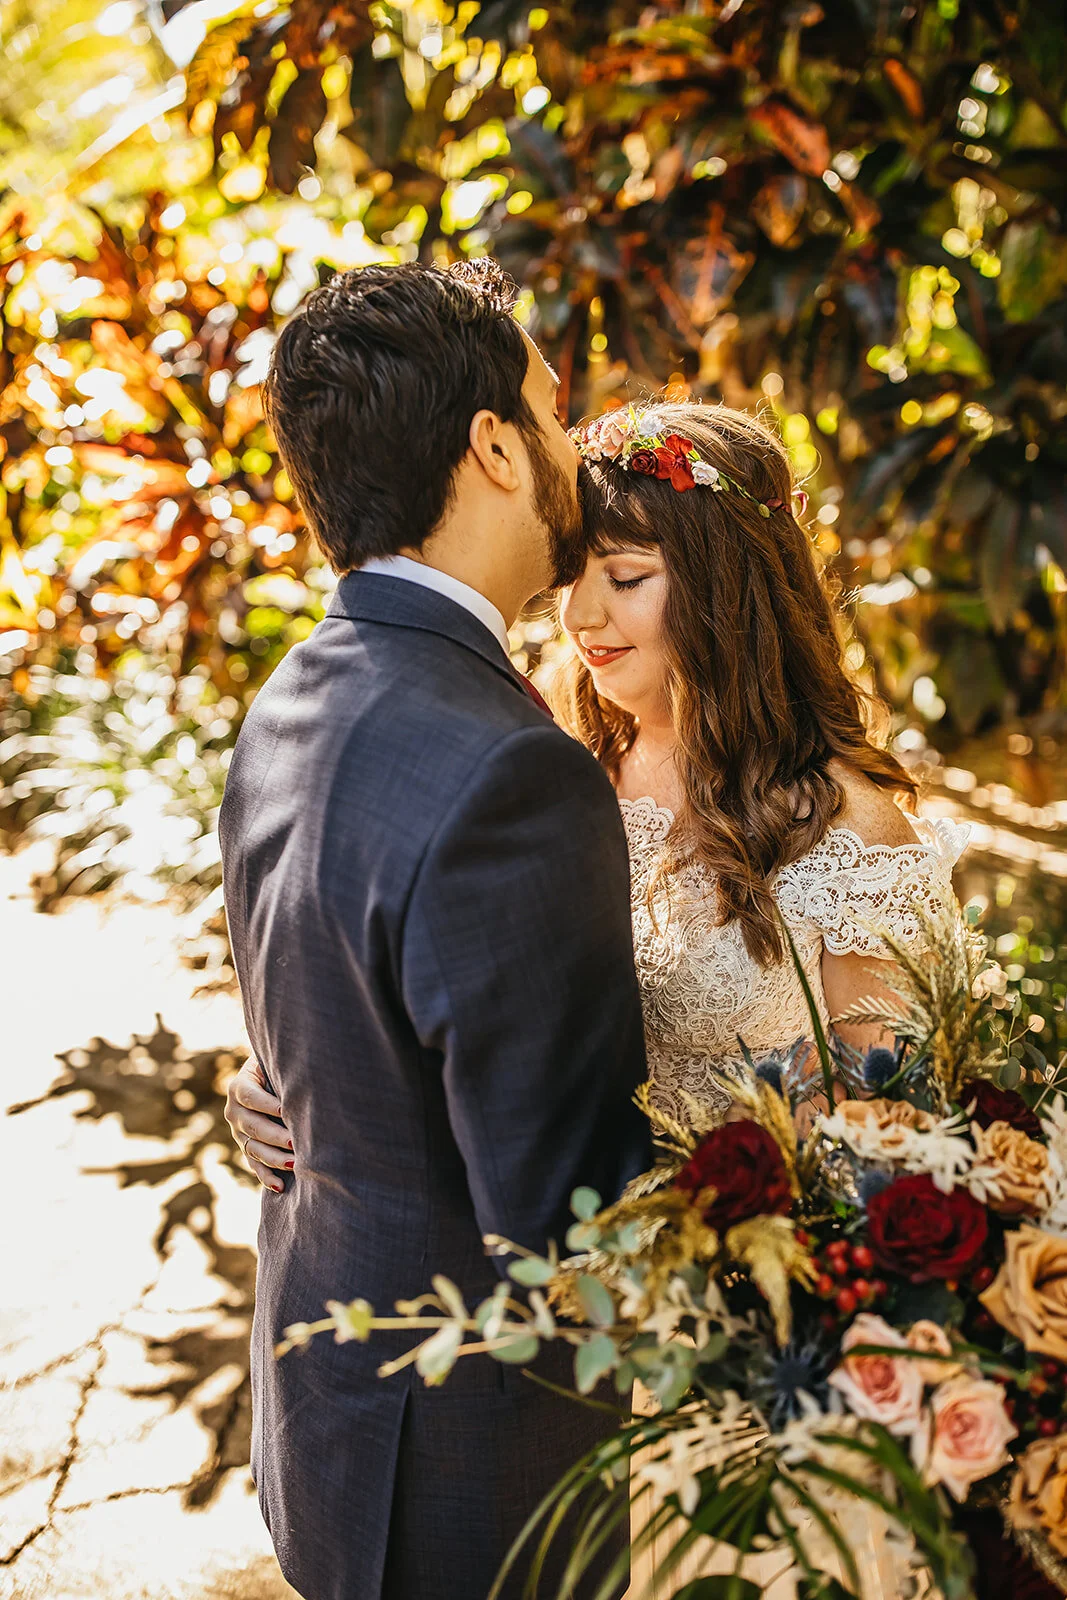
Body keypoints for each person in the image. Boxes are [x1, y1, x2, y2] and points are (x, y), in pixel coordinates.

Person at [227, 393, 968, 1592]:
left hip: (752, 1341)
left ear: (726, 585)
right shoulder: (552, 765)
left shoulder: (840, 825)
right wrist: (282, 1080)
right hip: (558, 1353)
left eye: (623, 577)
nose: (579, 616)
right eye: (575, 575)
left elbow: (894, 1147)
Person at [218, 257, 652, 1600]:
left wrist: (284, 1087)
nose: (570, 443)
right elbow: (570, 1226)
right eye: (551, 407)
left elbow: (339, 996)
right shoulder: (511, 771)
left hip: (328, 1406)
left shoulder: (293, 692)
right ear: (492, 448)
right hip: (479, 1472)